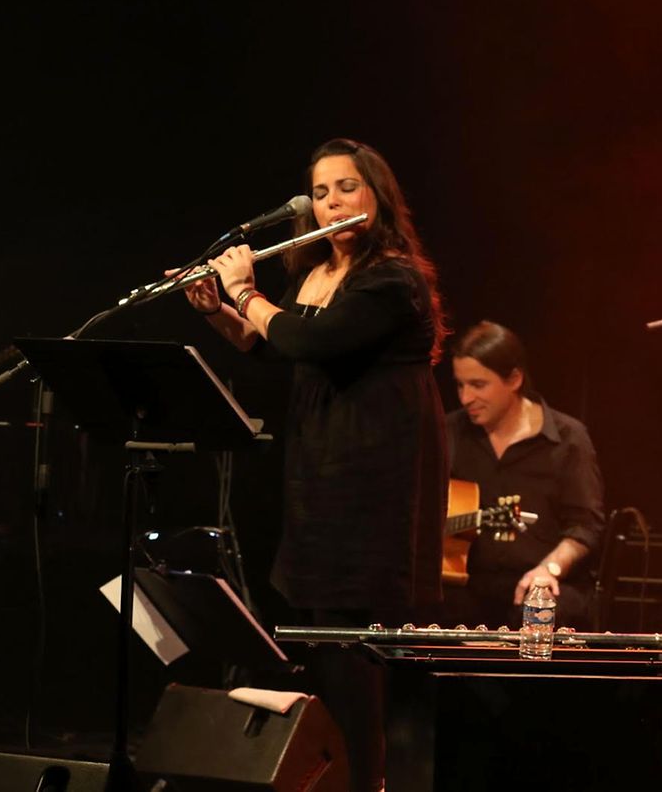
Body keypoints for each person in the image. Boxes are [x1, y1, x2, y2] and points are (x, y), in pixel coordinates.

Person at [184, 138, 449, 792]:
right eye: (322, 192)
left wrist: (244, 290)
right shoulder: (316, 273)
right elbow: (272, 348)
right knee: (321, 651)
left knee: (355, 655)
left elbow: (313, 339)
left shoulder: (392, 279)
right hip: (319, 479)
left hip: (372, 485)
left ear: (377, 196)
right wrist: (217, 309)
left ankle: (369, 782)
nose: (332, 202)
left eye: (347, 187)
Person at [445, 320, 605, 630]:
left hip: (542, 582)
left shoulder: (568, 439)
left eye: (478, 385)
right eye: (460, 385)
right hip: (465, 586)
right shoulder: (449, 432)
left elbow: (586, 526)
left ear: (514, 379)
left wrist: (549, 569)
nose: (465, 398)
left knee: (542, 610)